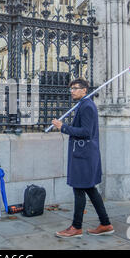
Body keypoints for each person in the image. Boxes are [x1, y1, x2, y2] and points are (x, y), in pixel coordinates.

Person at [51, 78, 114, 238]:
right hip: (83, 154)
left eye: (75, 88)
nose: (72, 91)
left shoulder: (87, 106)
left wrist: (63, 127)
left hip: (84, 156)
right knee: (90, 190)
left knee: (79, 189)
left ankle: (76, 227)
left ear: (84, 90)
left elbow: (86, 131)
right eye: (71, 89)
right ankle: (105, 224)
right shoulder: (84, 105)